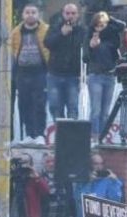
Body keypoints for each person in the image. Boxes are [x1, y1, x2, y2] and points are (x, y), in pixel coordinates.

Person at [11, 4, 50, 144]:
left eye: (33, 12)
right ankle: (28, 134)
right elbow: (13, 49)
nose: (30, 15)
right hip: (22, 71)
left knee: (39, 103)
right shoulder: (16, 32)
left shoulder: (46, 29)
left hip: (40, 70)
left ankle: (40, 134)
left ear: (38, 15)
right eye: (27, 12)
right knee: (24, 103)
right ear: (23, 15)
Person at [84, 11, 126, 139]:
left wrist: (109, 18)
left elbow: (122, 26)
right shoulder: (90, 36)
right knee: (96, 110)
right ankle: (94, 136)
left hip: (109, 76)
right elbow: (85, 57)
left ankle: (103, 137)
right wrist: (92, 46)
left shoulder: (112, 37)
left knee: (105, 112)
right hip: (95, 75)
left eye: (102, 25)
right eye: (97, 25)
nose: (100, 28)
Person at [44, 3, 85, 120]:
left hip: (73, 75)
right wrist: (61, 34)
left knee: (72, 108)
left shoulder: (82, 31)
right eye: (67, 13)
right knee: (55, 107)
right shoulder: (55, 27)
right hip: (55, 74)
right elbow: (47, 43)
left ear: (77, 15)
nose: (70, 16)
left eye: (73, 13)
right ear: (63, 14)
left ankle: (71, 131)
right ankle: (59, 130)